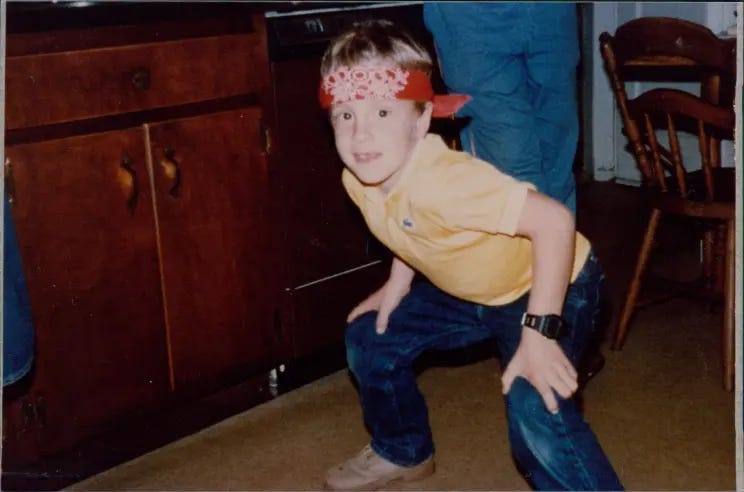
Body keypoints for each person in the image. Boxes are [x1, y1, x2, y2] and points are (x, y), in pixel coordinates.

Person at [318, 19, 622, 491]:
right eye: (345, 115)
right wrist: (397, 285)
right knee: (369, 336)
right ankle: (402, 451)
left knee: (535, 399)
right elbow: (402, 220)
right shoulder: (360, 177)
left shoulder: (449, 183)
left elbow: (555, 223)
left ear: (421, 120)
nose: (361, 135)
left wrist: (540, 332)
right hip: (470, 289)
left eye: (381, 113)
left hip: (549, 283)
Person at [423, 3, 580, 214]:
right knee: (510, 167)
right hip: (470, 17)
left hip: (550, 11)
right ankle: (533, 230)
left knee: (556, 157)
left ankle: (558, 231)